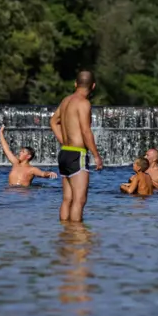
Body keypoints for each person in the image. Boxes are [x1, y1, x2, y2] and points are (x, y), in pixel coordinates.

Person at [51, 70, 103, 222]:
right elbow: (86, 131)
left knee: (67, 198)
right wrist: (96, 155)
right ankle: (77, 236)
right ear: (93, 86)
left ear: (75, 84)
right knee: (79, 200)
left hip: (65, 153)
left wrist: (63, 140)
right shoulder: (83, 103)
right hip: (77, 154)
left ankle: (65, 234)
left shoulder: (66, 100)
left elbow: (53, 122)